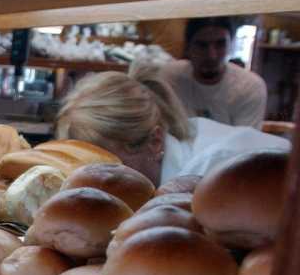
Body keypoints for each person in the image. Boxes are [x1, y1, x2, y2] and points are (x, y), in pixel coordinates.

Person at [55, 64, 289, 187]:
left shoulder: (217, 170)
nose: (95, 183)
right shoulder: (171, 149)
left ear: (155, 141)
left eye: (108, 167)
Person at [160, 17, 267, 128]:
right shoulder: (169, 77)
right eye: (202, 45)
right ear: (188, 48)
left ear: (231, 45)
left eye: (220, 44)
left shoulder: (249, 87)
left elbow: (244, 142)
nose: (212, 55)